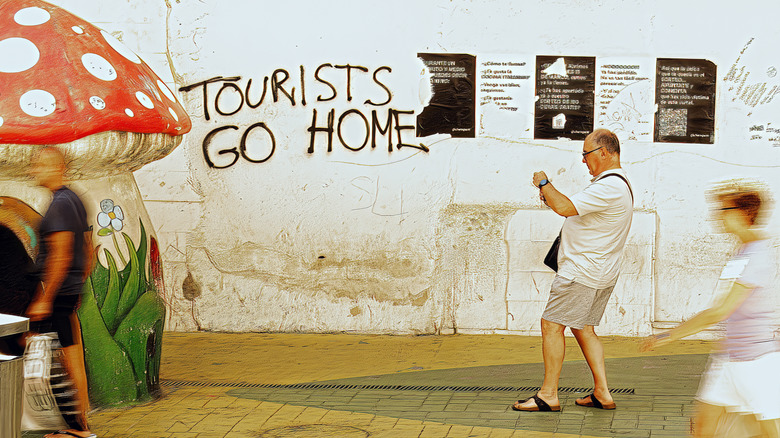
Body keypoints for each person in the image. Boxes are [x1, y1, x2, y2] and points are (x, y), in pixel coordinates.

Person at [641, 180, 780, 438]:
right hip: (729, 360)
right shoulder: (742, 250)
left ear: (744, 214)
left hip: (756, 363)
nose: (718, 216)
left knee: (768, 433)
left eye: (724, 210)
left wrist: (666, 336)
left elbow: (720, 311)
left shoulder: (757, 256)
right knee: (702, 429)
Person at [513, 128, 633, 412]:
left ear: (603, 152)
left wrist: (544, 183)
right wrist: (552, 196)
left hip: (581, 273)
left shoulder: (609, 186)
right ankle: (602, 392)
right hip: (600, 272)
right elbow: (574, 209)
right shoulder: (618, 182)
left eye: (586, 154)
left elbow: (565, 207)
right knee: (583, 329)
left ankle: (548, 394)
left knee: (551, 325)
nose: (583, 160)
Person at [27, 146, 95, 438]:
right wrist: (79, 283)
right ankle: (78, 424)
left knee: (61, 358)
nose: (35, 170)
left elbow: (62, 254)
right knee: (69, 354)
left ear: (57, 167)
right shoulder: (73, 199)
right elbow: (89, 248)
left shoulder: (60, 205)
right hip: (68, 291)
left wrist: (45, 298)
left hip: (56, 294)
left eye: (41, 165)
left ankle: (76, 427)